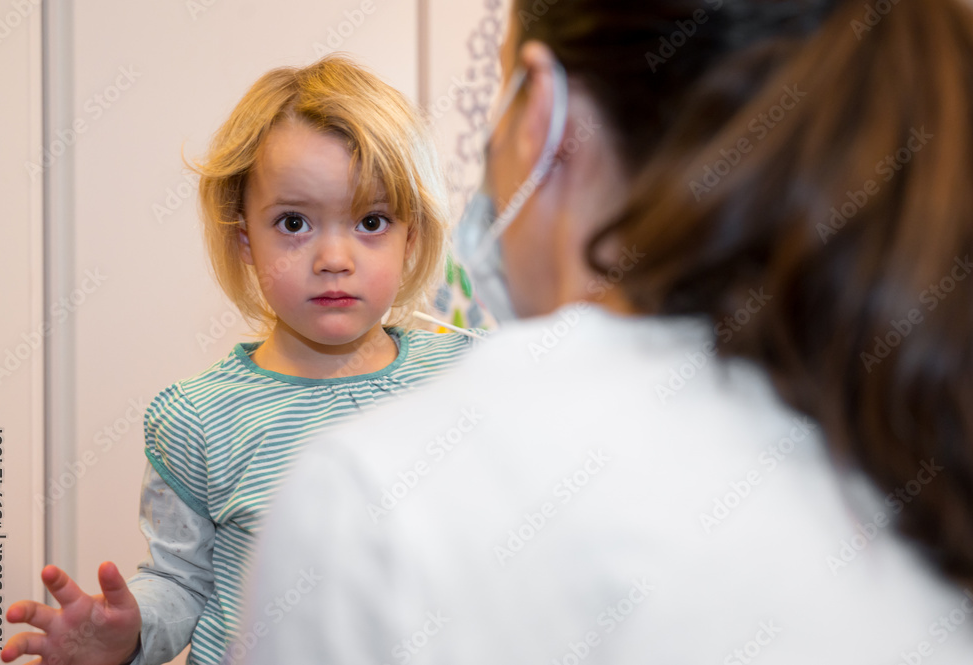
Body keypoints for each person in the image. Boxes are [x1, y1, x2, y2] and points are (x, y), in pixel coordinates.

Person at [232, 0, 973, 662]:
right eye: (294, 223)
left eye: (372, 220)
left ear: (544, 113)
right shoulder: (916, 435)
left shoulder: (368, 504)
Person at [0, 55, 480, 665]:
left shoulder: (471, 375)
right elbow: (180, 581)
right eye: (295, 223)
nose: (334, 258)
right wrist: (129, 632)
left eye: (371, 220)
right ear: (244, 237)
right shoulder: (197, 416)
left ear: (411, 236)